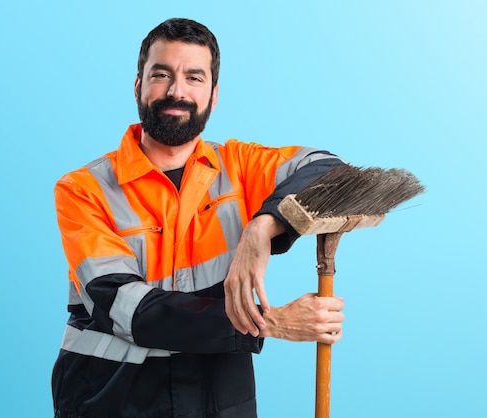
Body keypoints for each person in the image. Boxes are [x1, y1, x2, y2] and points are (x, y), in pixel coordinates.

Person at [51, 17, 346, 418]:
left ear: (214, 94)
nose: (177, 91)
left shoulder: (238, 168)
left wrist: (264, 226)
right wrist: (268, 323)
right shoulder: (84, 189)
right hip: (112, 399)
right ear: (138, 85)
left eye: (194, 77)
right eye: (162, 74)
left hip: (217, 400)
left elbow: (332, 171)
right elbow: (128, 308)